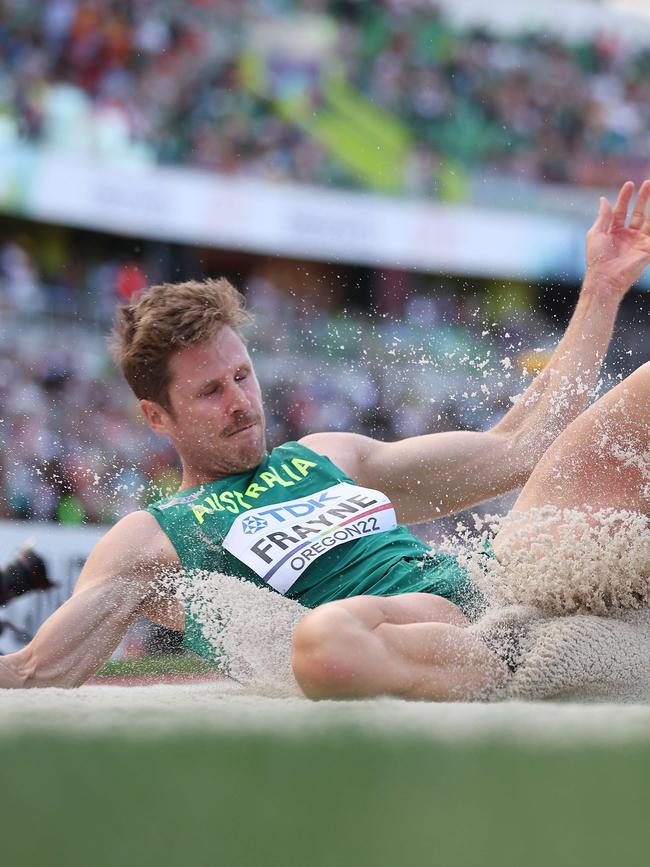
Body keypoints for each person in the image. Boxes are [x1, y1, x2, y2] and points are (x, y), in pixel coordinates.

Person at [0, 181, 649, 698]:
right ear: (156, 416)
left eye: (242, 375)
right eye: (210, 392)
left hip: (505, 588)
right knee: (322, 641)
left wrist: (601, 286)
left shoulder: (327, 454)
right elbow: (38, 669)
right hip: (403, 636)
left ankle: (530, 640)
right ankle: (511, 661)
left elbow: (519, 446)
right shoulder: (154, 536)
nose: (240, 404)